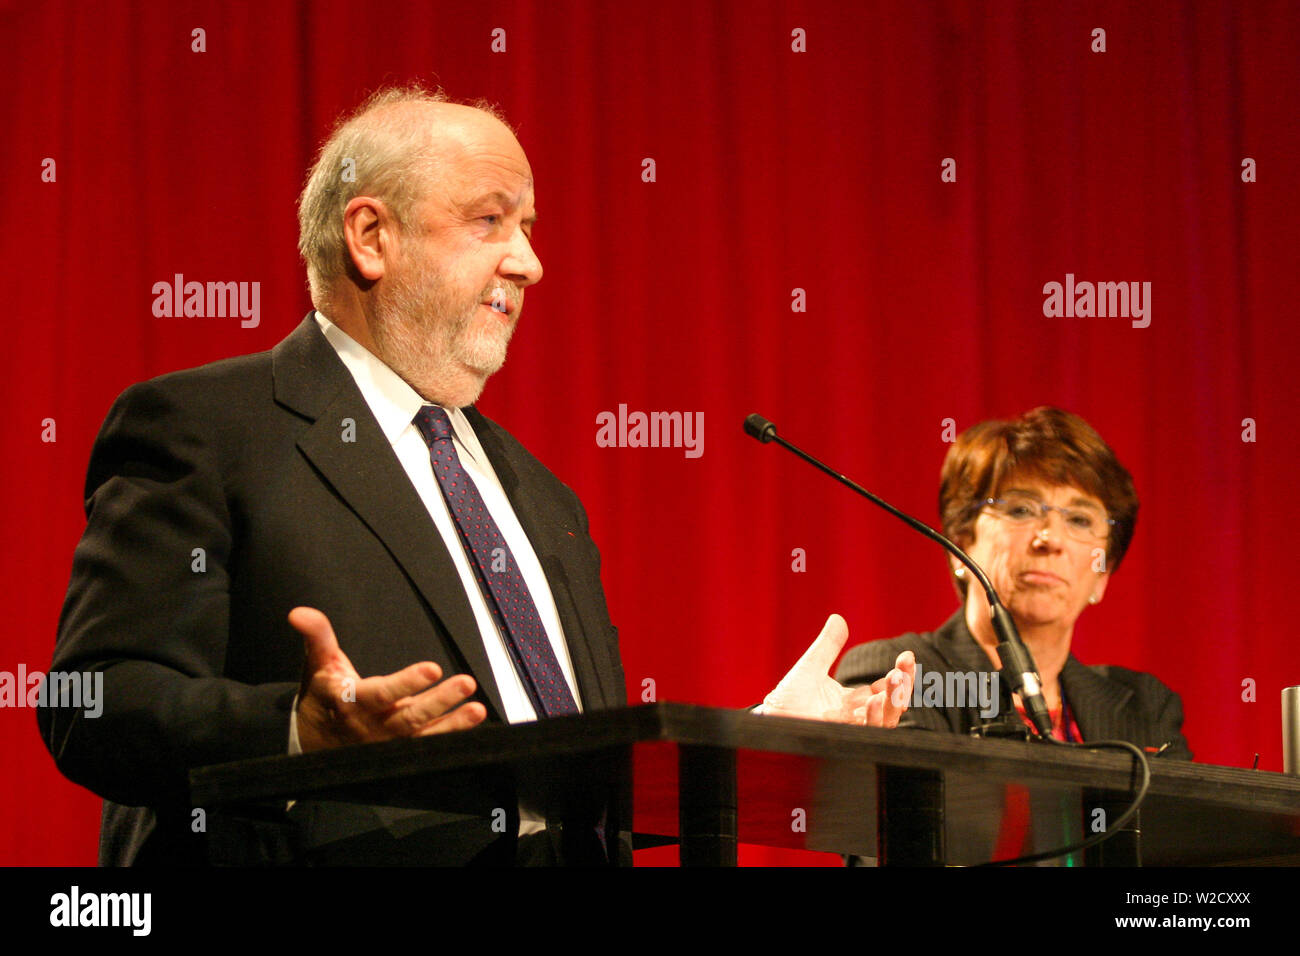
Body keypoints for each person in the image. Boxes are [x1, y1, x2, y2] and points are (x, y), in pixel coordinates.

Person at [38, 85, 914, 866]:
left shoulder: (542, 497)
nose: (529, 261)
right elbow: (95, 702)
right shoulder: (208, 427)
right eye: (490, 221)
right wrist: (300, 731)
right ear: (371, 236)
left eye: (528, 228)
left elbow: (575, 798)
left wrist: (757, 747)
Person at [836, 407, 1191, 759]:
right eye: (1021, 510)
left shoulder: (1146, 707)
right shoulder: (905, 675)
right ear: (960, 547)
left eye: (1080, 520)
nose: (1050, 539)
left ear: (1103, 573)